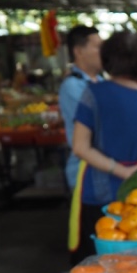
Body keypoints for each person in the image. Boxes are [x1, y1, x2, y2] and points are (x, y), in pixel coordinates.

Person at [69, 30, 137, 255]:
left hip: (101, 198)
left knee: (98, 268)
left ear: (107, 59)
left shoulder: (93, 94)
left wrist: (120, 170)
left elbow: (79, 146)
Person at [58, 25, 103, 193]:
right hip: (85, 172)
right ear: (78, 51)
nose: (102, 52)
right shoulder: (72, 86)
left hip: (103, 172)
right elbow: (101, 120)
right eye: (97, 46)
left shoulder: (101, 82)